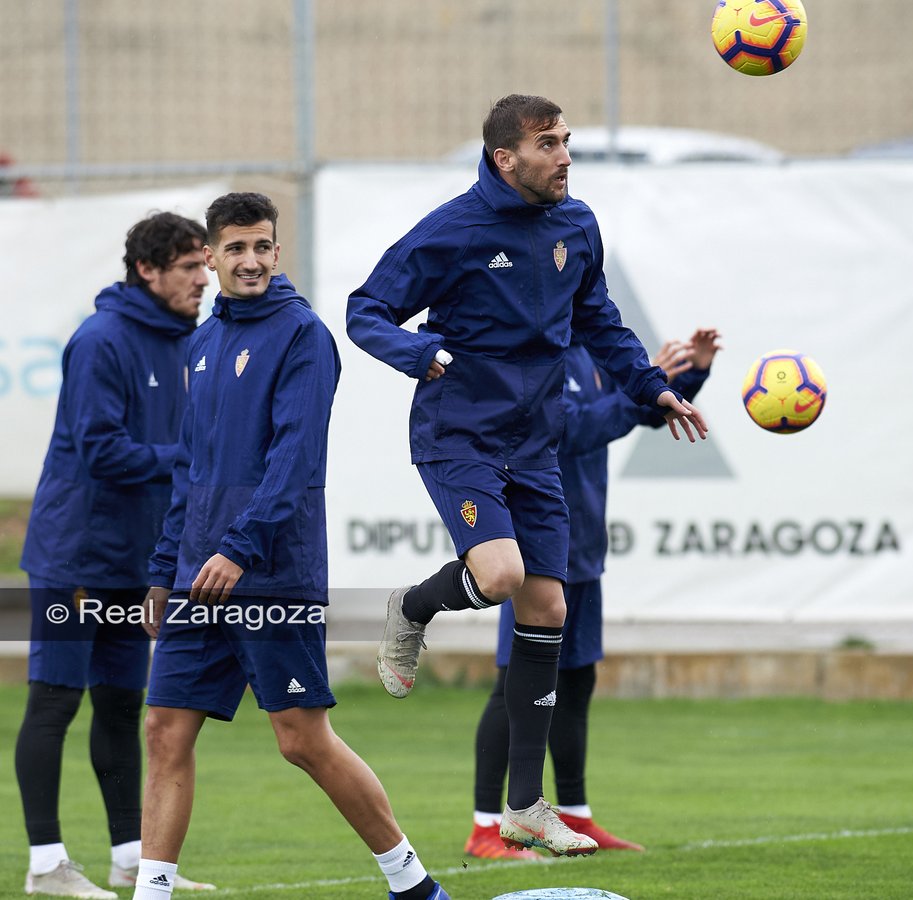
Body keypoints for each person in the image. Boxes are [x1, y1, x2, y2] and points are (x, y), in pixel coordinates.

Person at [346, 93, 707, 857]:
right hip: (459, 436)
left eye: (567, 140)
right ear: (505, 158)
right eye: (549, 143)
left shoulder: (576, 227)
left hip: (535, 443)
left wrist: (652, 387)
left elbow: (599, 321)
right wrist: (421, 354)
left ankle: (522, 808)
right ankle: (412, 607)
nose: (565, 155)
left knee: (549, 605)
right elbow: (365, 309)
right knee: (506, 576)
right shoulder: (454, 230)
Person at [132, 193, 448, 900]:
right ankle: (150, 895)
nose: (250, 260)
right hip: (195, 577)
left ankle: (415, 886)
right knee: (163, 729)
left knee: (301, 740)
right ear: (210, 257)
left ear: (278, 253)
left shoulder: (303, 335)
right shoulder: (202, 344)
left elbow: (295, 459)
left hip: (272, 574)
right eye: (235, 248)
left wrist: (241, 549)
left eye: (262, 246)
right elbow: (190, 467)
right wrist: (163, 569)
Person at [16, 211, 215, 898]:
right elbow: (101, 451)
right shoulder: (100, 340)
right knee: (54, 702)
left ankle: (131, 858)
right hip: (75, 557)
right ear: (147, 271)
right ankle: (45, 867)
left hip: (136, 562)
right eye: (189, 267)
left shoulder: (192, 342)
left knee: (123, 707)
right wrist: (191, 461)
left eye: (203, 264)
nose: (203, 278)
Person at [464, 328, 720, 861]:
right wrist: (641, 389)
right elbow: (572, 428)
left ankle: (576, 815)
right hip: (537, 552)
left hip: (582, 550)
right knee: (514, 687)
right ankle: (486, 828)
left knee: (577, 682)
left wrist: (684, 376)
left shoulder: (590, 353)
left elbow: (641, 413)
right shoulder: (538, 357)